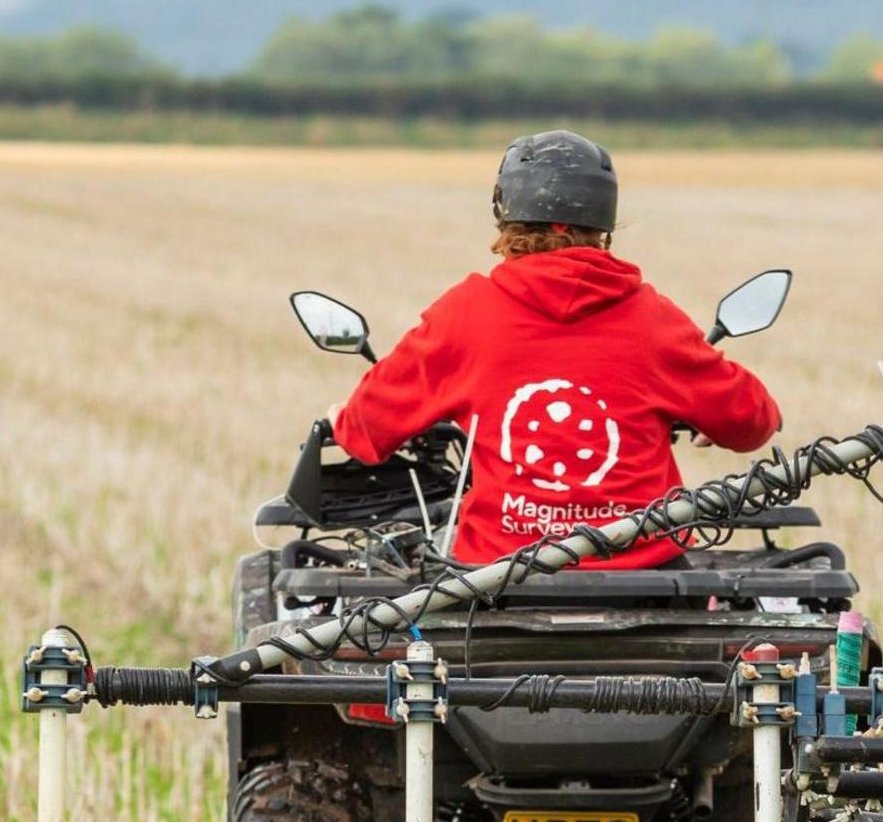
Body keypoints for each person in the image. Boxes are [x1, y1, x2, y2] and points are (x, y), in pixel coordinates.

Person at [329, 129, 782, 570]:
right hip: (643, 577)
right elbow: (753, 423)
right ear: (603, 223)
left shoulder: (463, 314)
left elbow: (365, 431)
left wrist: (342, 420)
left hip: (496, 584)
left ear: (505, 213)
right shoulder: (654, 320)